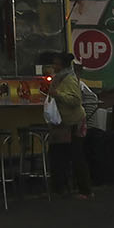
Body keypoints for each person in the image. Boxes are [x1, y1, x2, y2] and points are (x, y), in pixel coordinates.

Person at [42, 51, 93, 199]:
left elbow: (76, 100)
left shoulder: (68, 79)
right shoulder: (60, 78)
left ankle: (85, 190)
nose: (54, 66)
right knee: (59, 155)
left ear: (62, 65)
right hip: (64, 124)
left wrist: (57, 95)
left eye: (56, 63)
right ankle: (60, 188)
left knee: (76, 156)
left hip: (74, 123)